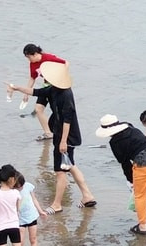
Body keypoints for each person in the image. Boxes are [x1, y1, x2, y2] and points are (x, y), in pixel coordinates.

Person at [6, 62, 98, 212]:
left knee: (60, 172)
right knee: (71, 166)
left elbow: (67, 120)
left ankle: (57, 204)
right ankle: (87, 196)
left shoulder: (66, 94)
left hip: (66, 136)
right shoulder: (53, 89)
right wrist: (16, 88)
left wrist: (63, 142)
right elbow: (35, 92)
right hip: (62, 135)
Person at [96, 115, 146, 236]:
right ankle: (144, 214)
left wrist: (130, 180)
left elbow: (125, 163)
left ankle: (143, 226)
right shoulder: (132, 129)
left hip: (143, 163)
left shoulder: (115, 142)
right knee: (143, 190)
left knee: (139, 195)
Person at [20, 44, 63, 141]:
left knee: (57, 112)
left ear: (35, 54)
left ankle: (62, 133)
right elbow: (32, 78)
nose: (29, 60)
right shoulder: (33, 63)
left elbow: (65, 63)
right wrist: (26, 93)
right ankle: (48, 133)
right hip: (46, 87)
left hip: (57, 87)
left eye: (29, 57)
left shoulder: (48, 58)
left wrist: (61, 80)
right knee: (38, 109)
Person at [15, 172, 47, 246]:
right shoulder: (13, 191)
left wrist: (40, 211)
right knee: (20, 242)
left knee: (33, 239)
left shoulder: (28, 186)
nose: (20, 188)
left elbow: (34, 199)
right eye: (18, 187)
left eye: (21, 185)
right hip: (20, 218)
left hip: (32, 216)